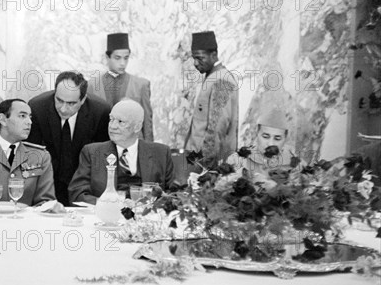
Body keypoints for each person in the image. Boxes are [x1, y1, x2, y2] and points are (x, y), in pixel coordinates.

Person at [68, 99, 175, 205]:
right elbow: (77, 194)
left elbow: (176, 194)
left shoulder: (161, 153)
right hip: (106, 216)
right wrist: (109, 204)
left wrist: (152, 204)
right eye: (111, 119)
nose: (112, 126)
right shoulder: (92, 153)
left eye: (120, 122)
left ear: (137, 127)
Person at [27, 71, 111, 206]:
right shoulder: (37, 108)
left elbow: (101, 160)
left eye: (71, 103)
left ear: (83, 100)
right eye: (59, 100)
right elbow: (31, 155)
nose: (64, 109)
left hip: (83, 188)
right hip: (46, 185)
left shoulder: (100, 112)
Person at [184, 31, 238, 166]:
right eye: (193, 58)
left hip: (209, 166)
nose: (195, 63)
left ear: (213, 55)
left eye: (200, 58)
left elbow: (218, 128)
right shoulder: (213, 76)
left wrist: (205, 166)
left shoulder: (222, 79)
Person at [87, 33, 153, 141]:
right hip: (102, 144)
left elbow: (147, 123)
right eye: (117, 58)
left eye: (126, 58)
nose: (122, 63)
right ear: (107, 57)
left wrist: (149, 150)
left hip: (132, 144)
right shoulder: (92, 85)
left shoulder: (141, 85)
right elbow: (89, 122)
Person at [224, 108, 296, 190]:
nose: (270, 143)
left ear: (285, 139)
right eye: (265, 137)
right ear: (257, 133)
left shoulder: (293, 164)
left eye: (277, 139)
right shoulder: (237, 159)